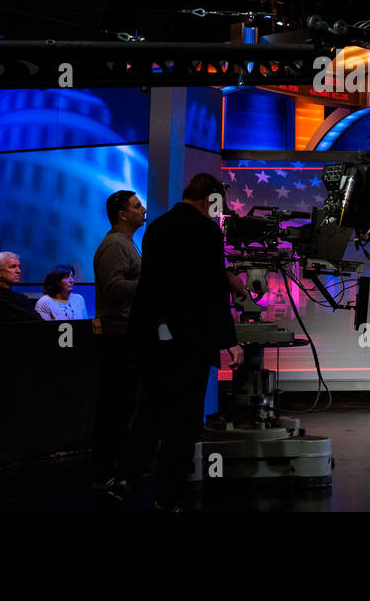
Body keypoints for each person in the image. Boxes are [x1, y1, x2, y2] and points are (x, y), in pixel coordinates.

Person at [131, 173, 244, 512]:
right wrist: (230, 341)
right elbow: (211, 290)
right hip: (190, 341)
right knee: (183, 423)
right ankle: (167, 499)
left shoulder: (157, 227)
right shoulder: (206, 231)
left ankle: (131, 483)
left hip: (155, 337)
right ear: (210, 199)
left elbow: (155, 284)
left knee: (151, 412)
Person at [91, 189, 147, 500]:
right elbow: (114, 288)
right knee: (115, 406)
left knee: (122, 405)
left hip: (125, 334)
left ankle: (114, 471)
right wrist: (151, 283)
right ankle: (105, 475)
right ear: (122, 214)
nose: (143, 209)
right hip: (117, 336)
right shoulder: (115, 245)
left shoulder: (125, 244)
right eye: (137, 206)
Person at [0, 251, 39, 322]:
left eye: (19, 267)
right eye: (13, 267)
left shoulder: (22, 297)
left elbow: (37, 318)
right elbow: (20, 317)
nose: (18, 271)